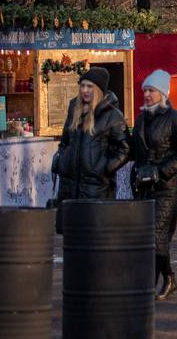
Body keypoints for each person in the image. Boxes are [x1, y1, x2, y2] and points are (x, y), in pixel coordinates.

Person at [130, 70, 177, 301]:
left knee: (156, 233)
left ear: (162, 93)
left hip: (166, 186)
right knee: (148, 235)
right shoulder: (140, 119)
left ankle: (156, 282)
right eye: (145, 90)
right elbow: (133, 148)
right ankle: (166, 279)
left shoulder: (176, 119)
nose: (146, 95)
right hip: (142, 185)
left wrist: (160, 171)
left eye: (151, 91)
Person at [55, 68, 130, 233]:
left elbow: (124, 148)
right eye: (82, 86)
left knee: (93, 235)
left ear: (98, 89)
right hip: (70, 185)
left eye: (89, 87)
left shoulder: (113, 115)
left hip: (96, 187)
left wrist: (103, 168)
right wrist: (61, 159)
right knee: (71, 235)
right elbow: (65, 140)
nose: (85, 90)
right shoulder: (74, 109)